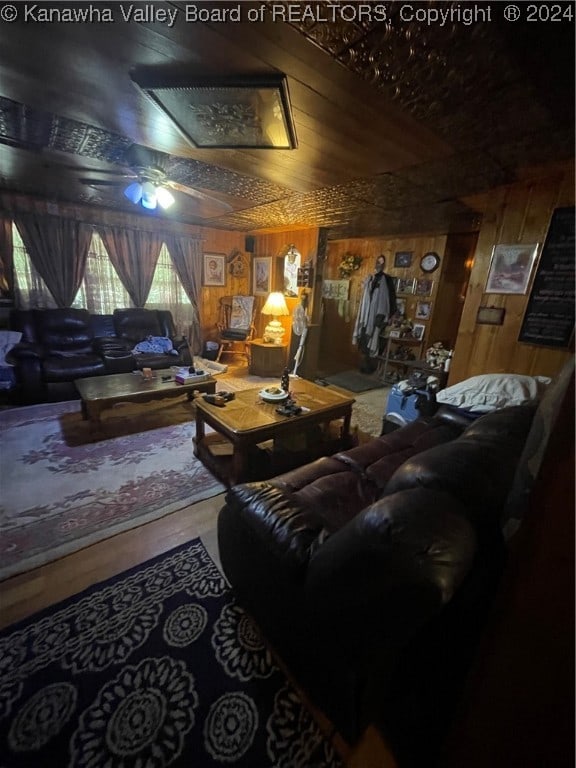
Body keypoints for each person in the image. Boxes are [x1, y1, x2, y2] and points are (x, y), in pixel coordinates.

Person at [352, 255, 397, 365]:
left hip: (377, 313)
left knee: (374, 337)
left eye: (381, 262)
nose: (379, 264)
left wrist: (384, 316)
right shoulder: (370, 279)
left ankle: (370, 364)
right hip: (367, 313)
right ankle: (363, 362)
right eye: (378, 262)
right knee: (364, 337)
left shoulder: (386, 280)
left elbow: (387, 299)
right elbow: (365, 297)